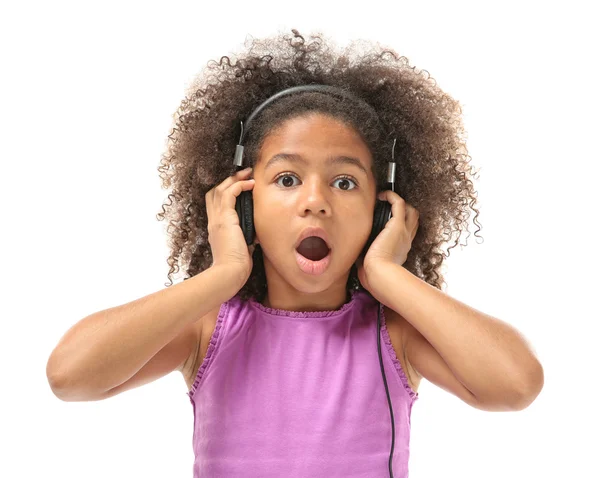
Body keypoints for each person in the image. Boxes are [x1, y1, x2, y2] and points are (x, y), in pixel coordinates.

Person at [46, 29, 544, 478]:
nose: (315, 201)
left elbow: (516, 384)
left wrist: (387, 274)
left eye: (345, 182)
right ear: (243, 205)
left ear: (378, 212)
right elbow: (71, 376)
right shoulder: (209, 329)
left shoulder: (393, 333)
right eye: (287, 179)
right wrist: (225, 273)